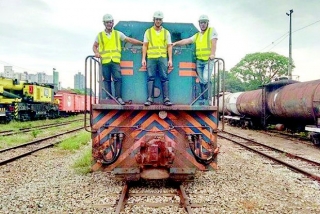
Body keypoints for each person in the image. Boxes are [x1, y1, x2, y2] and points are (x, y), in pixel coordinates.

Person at [93, 14, 143, 105]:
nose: (109, 24)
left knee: (118, 78)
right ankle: (109, 97)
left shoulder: (118, 34)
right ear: (104, 23)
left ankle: (118, 97)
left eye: (110, 22)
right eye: (107, 22)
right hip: (105, 61)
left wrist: (142, 43)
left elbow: (129, 40)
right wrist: (96, 52)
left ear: (113, 23)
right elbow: (94, 46)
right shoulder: (100, 35)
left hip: (115, 61)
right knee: (106, 79)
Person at [172, 14, 218, 100]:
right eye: (201, 23)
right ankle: (204, 98)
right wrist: (175, 43)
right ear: (199, 24)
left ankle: (207, 98)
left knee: (205, 78)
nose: (203, 24)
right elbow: (187, 40)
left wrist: (212, 54)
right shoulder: (197, 35)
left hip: (208, 60)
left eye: (204, 22)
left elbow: (214, 43)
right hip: (199, 61)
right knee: (201, 80)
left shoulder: (212, 31)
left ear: (207, 23)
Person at [142, 11, 173, 106]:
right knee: (150, 78)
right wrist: (143, 58)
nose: (158, 21)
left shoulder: (166, 32)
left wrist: (170, 59)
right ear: (154, 20)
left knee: (164, 77)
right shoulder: (148, 32)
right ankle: (149, 99)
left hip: (162, 57)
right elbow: (145, 45)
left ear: (162, 21)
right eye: (157, 19)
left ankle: (166, 99)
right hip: (151, 58)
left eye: (160, 19)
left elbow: (169, 46)